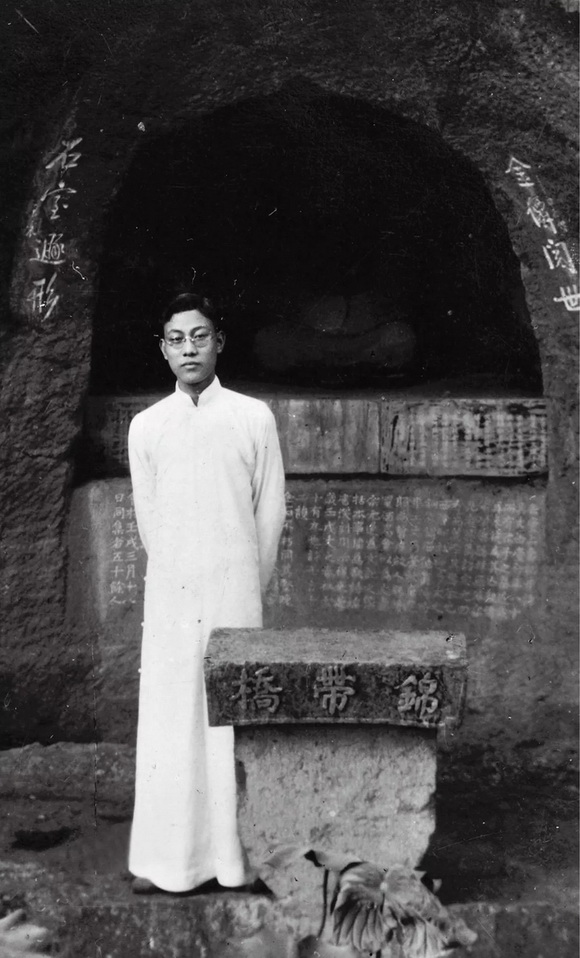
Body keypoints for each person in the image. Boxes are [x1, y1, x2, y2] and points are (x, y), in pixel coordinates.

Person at [127, 292, 286, 894]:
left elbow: (269, 514)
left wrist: (245, 587)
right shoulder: (147, 426)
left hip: (234, 590)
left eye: (199, 336)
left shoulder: (253, 417)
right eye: (176, 339)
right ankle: (168, 862)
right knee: (170, 718)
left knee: (230, 720)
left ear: (219, 342)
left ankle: (234, 862)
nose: (188, 349)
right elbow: (148, 519)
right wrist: (177, 576)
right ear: (163, 350)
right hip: (172, 594)